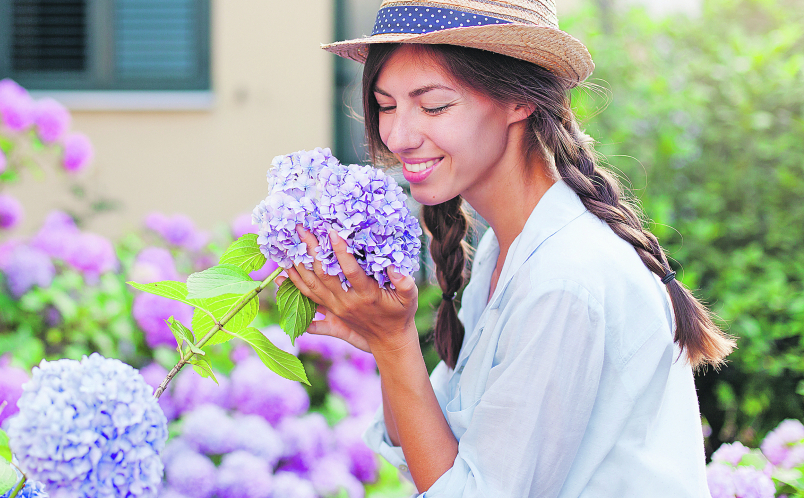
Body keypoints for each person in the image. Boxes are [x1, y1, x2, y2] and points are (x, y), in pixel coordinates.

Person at [281, 0, 736, 496]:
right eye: (387, 105)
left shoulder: (563, 279)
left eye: (433, 105)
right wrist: (385, 341)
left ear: (520, 99)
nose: (398, 135)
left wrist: (395, 344)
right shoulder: (508, 249)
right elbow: (436, 462)